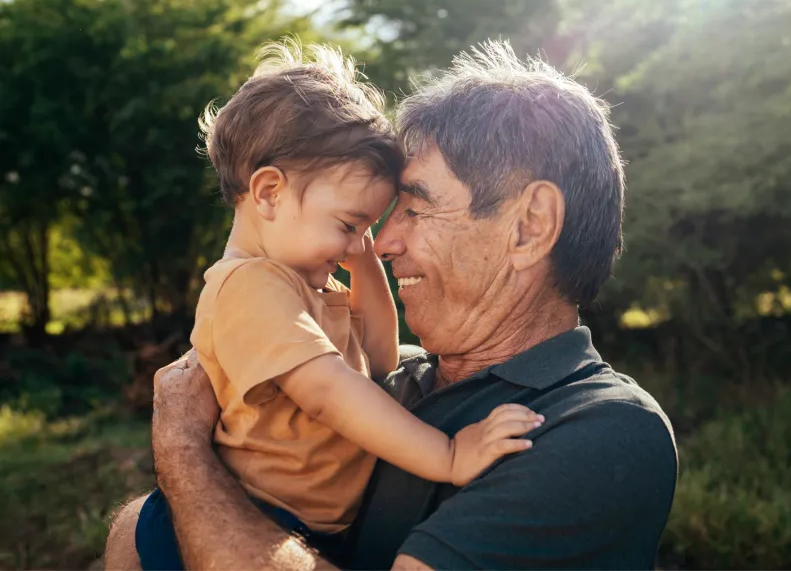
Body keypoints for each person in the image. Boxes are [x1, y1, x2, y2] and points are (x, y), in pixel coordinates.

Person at [105, 40, 678, 571]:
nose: (380, 241)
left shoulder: (601, 429)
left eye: (415, 208)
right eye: (367, 219)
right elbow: (134, 533)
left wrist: (182, 453)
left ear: (529, 227)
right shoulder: (399, 377)